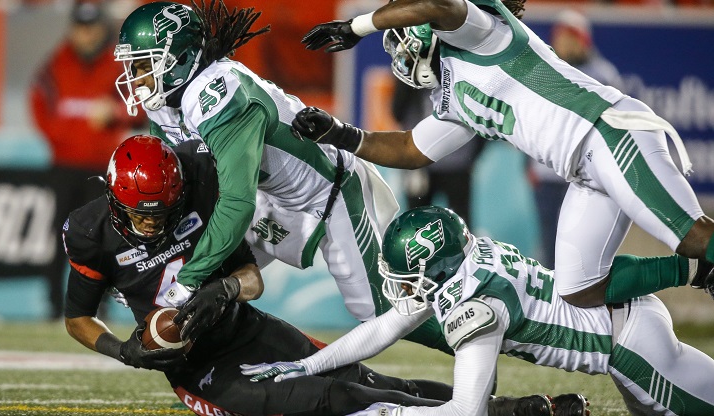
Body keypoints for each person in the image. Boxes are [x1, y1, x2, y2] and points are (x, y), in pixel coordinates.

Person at [63, 136, 570, 416]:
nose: (152, 223)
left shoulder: (198, 188)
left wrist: (223, 288)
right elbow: (78, 318)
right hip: (202, 371)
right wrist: (120, 349)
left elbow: (251, 277)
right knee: (334, 401)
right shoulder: (89, 232)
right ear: (112, 198)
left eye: (162, 211)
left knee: (364, 380)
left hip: (246, 326)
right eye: (140, 215)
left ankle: (500, 410)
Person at [288, 0, 714, 308]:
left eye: (398, 39)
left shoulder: (484, 33)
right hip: (583, 172)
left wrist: (358, 26)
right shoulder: (450, 97)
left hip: (607, 134)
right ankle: (699, 274)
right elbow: (411, 148)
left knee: (693, 236)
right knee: (579, 287)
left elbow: (436, 4)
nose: (397, 50)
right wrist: (338, 133)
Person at [112, 1, 454, 354]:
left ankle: (475, 334)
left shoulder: (217, 94)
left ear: (179, 59)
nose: (135, 75)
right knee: (206, 279)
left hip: (327, 192)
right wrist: (152, 262)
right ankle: (238, 376)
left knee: (377, 310)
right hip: (268, 196)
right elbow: (184, 185)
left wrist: (182, 280)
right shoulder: (164, 101)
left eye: (143, 63)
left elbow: (235, 202)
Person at [242, 206, 714, 416]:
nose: (401, 287)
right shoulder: (469, 262)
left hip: (630, 346)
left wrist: (388, 414)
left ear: (433, 266)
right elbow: (387, 324)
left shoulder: (475, 304)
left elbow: (466, 410)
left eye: (407, 275)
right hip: (625, 323)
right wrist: (307, 364)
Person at [29, 0, 146, 319]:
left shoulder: (117, 65)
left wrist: (115, 114)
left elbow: (140, 107)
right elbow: (39, 103)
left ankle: (100, 307)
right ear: (72, 28)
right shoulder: (56, 64)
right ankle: (54, 306)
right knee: (58, 237)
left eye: (91, 27)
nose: (86, 34)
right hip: (64, 165)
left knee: (101, 239)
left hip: (100, 167)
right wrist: (64, 138)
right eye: (81, 27)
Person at [528, 8, 623, 268]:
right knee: (550, 243)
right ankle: (552, 301)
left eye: (568, 37)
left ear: (582, 40)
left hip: (586, 172)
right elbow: (531, 120)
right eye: (559, 37)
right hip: (549, 172)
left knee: (584, 245)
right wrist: (527, 164)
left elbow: (613, 126)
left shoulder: (603, 75)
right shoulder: (546, 69)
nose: (562, 42)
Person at [391, 81, 485, 224]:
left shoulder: (463, 70)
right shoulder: (414, 73)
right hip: (422, 163)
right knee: (416, 224)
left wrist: (472, 156)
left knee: (460, 225)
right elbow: (397, 111)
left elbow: (480, 117)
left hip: (455, 164)